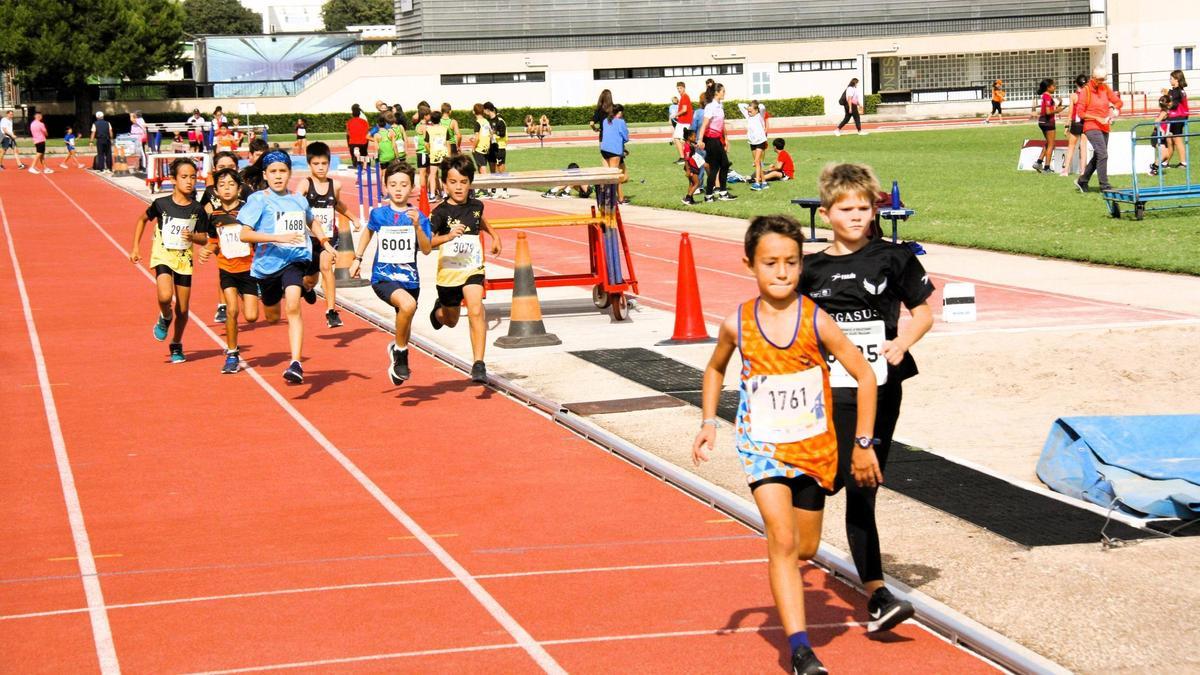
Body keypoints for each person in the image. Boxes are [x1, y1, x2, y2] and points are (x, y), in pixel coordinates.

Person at [692, 213, 877, 675]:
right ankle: (799, 650)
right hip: (762, 446)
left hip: (814, 449)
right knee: (782, 536)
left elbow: (866, 374)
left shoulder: (818, 320)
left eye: (792, 262)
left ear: (802, 265)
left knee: (806, 548)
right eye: (770, 262)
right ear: (749, 265)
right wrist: (708, 420)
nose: (782, 272)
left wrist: (864, 442)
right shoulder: (738, 321)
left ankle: (786, 583)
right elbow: (715, 368)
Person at [801, 162, 935, 637]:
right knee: (827, 476)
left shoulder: (894, 258)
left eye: (864, 208)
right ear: (827, 212)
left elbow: (923, 311)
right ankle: (799, 522)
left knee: (864, 484)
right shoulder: (809, 267)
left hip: (880, 386)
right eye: (847, 209)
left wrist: (903, 341)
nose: (857, 217)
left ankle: (877, 593)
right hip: (823, 389)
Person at [238, 150, 334, 384]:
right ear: (265, 174)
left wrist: (325, 243)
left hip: (294, 260)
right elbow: (244, 234)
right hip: (267, 266)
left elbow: (311, 220)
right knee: (272, 316)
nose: (278, 176)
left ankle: (296, 363)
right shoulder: (258, 199)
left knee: (293, 305)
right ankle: (283, 293)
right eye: (273, 172)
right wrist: (277, 237)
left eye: (283, 171)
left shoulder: (298, 200)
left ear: (290, 173)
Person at [349, 161, 435, 385]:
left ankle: (397, 355)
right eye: (393, 184)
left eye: (404, 184)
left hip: (410, 280)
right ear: (385, 187)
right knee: (407, 306)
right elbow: (368, 233)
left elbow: (426, 249)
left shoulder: (419, 217)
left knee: (404, 322)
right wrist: (358, 258)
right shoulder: (379, 214)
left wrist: (417, 227)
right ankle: (401, 353)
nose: (398, 189)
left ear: (412, 188)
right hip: (384, 278)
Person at [428, 154, 502, 384]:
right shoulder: (439, 213)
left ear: (470, 183)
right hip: (448, 275)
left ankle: (479, 364)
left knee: (476, 309)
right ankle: (438, 311)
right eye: (453, 182)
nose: (458, 187)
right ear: (444, 183)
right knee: (451, 320)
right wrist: (448, 236)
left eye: (463, 182)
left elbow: (481, 220)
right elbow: (427, 243)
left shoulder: (477, 205)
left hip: (472, 269)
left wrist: (494, 236)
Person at [129, 158, 210, 363]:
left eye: (193, 177)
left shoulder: (197, 209)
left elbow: (204, 238)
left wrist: (193, 237)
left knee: (183, 309)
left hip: (184, 259)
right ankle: (165, 316)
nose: (189, 181)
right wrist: (136, 247)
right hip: (163, 254)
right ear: (173, 179)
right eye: (184, 177)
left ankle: (176, 343)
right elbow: (142, 219)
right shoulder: (161, 204)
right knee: (165, 296)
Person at [196, 168, 258, 373]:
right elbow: (214, 241)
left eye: (231, 184)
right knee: (232, 310)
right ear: (216, 190)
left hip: (249, 269)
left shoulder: (248, 211)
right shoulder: (214, 215)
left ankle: (249, 293)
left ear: (239, 189)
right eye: (222, 185)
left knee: (251, 317)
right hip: (227, 268)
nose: (227, 188)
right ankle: (232, 353)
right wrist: (207, 250)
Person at [303, 141, 360, 329]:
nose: (320, 168)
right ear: (309, 164)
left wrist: (353, 218)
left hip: (329, 236)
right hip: (309, 238)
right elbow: (295, 204)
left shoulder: (335, 185)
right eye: (316, 164)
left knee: (326, 267)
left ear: (329, 163)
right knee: (311, 278)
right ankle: (307, 287)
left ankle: (331, 311)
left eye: (324, 164)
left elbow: (337, 204)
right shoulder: (305, 184)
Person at [1075, 66, 1123, 193]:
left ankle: (1082, 180)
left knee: (1098, 155)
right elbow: (1080, 112)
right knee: (1103, 154)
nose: (1101, 82)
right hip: (1091, 126)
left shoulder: (1105, 88)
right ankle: (1104, 185)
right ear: (1093, 77)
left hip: (1104, 126)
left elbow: (1118, 102)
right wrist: (1097, 118)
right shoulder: (1086, 91)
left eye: (1103, 80)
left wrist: (1113, 108)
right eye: (1099, 80)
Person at [697, 82, 736, 202]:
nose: (725, 93)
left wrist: (726, 139)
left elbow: (722, 124)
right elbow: (704, 125)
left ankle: (722, 193)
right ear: (716, 93)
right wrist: (700, 140)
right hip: (711, 140)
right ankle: (709, 195)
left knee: (724, 165)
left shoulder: (720, 106)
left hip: (718, 139)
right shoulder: (710, 107)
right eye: (723, 91)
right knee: (715, 168)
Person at [1031, 79, 1064, 174]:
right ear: (1048, 87)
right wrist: (1057, 111)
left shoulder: (1047, 96)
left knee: (1048, 142)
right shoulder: (1047, 97)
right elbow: (1048, 112)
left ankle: (1039, 162)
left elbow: (1052, 109)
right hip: (1048, 122)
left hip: (1043, 122)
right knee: (1051, 144)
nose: (1055, 87)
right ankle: (1047, 167)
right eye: (1053, 86)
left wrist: (1060, 104)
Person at [1060, 74, 1089, 177]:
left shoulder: (1073, 96)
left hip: (1076, 123)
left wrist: (1066, 126)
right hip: (1086, 122)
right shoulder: (1089, 95)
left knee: (1071, 147)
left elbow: (1070, 113)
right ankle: (1083, 171)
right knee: (1083, 147)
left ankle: (1065, 171)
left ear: (1076, 83)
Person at [601, 104, 631, 204]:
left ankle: (607, 195)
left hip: (604, 150)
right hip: (614, 151)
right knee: (615, 176)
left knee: (611, 175)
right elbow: (626, 137)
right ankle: (620, 198)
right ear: (620, 112)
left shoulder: (605, 120)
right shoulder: (620, 122)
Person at [739, 100, 769, 189]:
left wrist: (755, 105)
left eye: (751, 111)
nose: (749, 112)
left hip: (760, 141)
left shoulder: (760, 115)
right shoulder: (748, 116)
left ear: (756, 110)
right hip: (752, 142)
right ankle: (764, 182)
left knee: (756, 161)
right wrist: (749, 107)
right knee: (758, 162)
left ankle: (757, 183)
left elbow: (762, 107)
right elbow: (740, 105)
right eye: (748, 111)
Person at [483, 102, 510, 198]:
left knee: (501, 168)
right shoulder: (486, 121)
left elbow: (502, 134)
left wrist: (493, 134)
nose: (484, 112)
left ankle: (504, 190)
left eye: (484, 110)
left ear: (487, 109)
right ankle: (494, 190)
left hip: (499, 147)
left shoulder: (500, 120)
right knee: (492, 169)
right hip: (491, 147)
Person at [1165, 70, 1190, 169]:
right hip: (1174, 118)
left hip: (1178, 118)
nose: (1169, 80)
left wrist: (1165, 96)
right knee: (1170, 141)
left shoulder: (1178, 91)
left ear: (1177, 79)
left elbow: (1172, 105)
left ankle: (1183, 163)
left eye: (1171, 78)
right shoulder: (1174, 91)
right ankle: (1165, 162)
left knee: (1177, 140)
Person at [425, 109, 452, 200]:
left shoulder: (429, 130)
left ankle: (432, 194)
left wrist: (429, 151)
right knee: (444, 174)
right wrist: (449, 155)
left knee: (432, 174)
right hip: (444, 153)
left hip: (434, 154)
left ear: (431, 120)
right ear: (440, 119)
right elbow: (448, 143)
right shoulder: (445, 129)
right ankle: (445, 193)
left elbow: (426, 144)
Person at [469, 103, 494, 194]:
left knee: (482, 168)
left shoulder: (477, 122)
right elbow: (491, 134)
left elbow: (477, 137)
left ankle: (485, 189)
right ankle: (482, 188)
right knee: (481, 166)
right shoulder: (486, 121)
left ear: (474, 112)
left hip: (479, 147)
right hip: (486, 147)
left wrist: (473, 147)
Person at [681, 128, 703, 205]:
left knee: (692, 184)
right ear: (689, 138)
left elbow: (694, 145)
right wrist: (688, 170)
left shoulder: (689, 144)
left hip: (692, 166)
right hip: (691, 167)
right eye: (694, 136)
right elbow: (686, 159)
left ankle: (691, 200)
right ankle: (687, 198)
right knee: (697, 183)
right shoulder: (687, 147)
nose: (695, 138)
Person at [674, 81, 694, 164]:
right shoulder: (683, 97)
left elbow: (684, 109)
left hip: (684, 122)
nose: (679, 90)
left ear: (684, 88)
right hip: (683, 121)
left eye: (680, 88)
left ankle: (684, 158)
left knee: (677, 138)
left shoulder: (685, 97)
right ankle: (686, 157)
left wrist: (675, 115)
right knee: (682, 140)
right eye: (678, 88)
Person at [347, 103, 370, 172]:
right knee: (365, 154)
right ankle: (365, 167)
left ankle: (358, 164)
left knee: (357, 154)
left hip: (353, 142)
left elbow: (348, 132)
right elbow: (367, 131)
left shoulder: (349, 122)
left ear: (352, 114)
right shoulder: (364, 122)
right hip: (363, 141)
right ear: (359, 114)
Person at [590, 89, 614, 155]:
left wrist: (595, 129)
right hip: (614, 136)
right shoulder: (615, 109)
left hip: (603, 136)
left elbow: (591, 123)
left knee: (605, 159)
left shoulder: (599, 110)